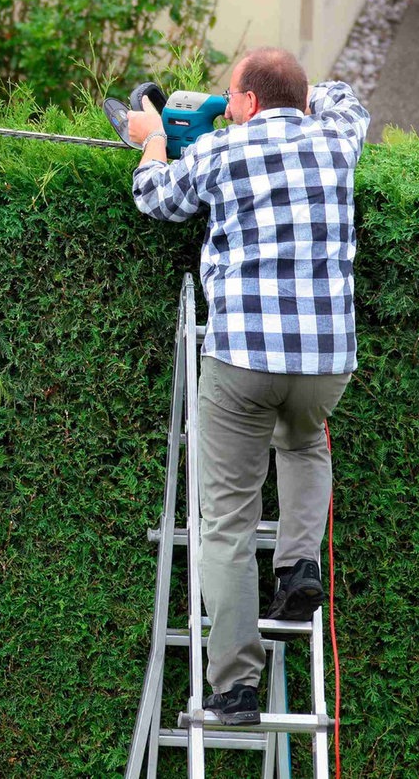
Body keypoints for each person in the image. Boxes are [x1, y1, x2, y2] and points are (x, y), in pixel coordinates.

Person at [126, 47, 368, 726]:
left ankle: (233, 688)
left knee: (226, 522)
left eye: (231, 97)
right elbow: (346, 94)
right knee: (303, 446)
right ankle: (297, 569)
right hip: (326, 360)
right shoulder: (339, 137)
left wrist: (151, 142)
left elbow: (156, 199)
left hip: (243, 359)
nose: (224, 107)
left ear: (251, 103)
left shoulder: (222, 154)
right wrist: (266, 92)